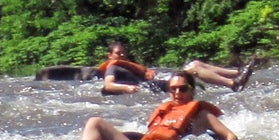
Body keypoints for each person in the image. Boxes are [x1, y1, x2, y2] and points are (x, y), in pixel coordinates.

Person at [57, 71, 238, 140]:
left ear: (191, 89)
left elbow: (231, 136)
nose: (177, 93)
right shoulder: (165, 110)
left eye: (182, 89)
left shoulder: (202, 114)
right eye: (172, 88)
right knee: (95, 122)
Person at [98, 41, 256, 94]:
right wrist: (127, 89)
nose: (122, 57)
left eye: (123, 53)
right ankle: (233, 85)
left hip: (158, 80)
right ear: (110, 55)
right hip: (155, 86)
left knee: (196, 63)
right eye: (118, 54)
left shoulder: (127, 66)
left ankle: (236, 73)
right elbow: (108, 85)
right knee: (193, 69)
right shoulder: (113, 67)